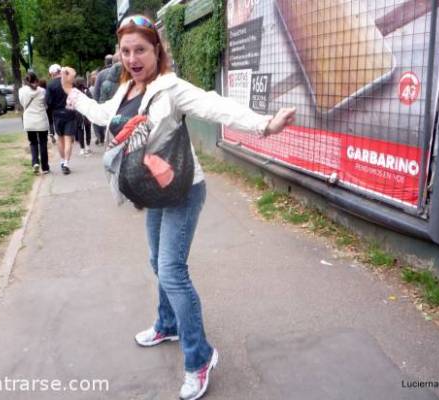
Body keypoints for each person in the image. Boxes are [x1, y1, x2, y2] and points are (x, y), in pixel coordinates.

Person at [61, 14, 295, 400]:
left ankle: (199, 358)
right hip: (154, 190)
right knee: (157, 262)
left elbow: (213, 105)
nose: (133, 57)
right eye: (126, 51)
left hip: (184, 190)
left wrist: (265, 124)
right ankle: (167, 323)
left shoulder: (170, 88)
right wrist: (73, 93)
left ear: (156, 50)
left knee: (172, 271)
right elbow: (105, 115)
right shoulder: (125, 89)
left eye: (140, 49)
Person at [45, 63, 77, 175]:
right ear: (60, 71)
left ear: (51, 74)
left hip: (57, 114)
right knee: (68, 140)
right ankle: (67, 163)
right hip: (69, 113)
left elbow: (48, 102)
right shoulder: (68, 81)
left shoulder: (50, 85)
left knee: (60, 139)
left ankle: (62, 161)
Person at [19, 71, 50, 174]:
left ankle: (35, 162)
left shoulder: (21, 91)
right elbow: (46, 105)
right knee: (43, 143)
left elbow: (22, 104)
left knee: (33, 142)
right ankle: (45, 167)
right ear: (36, 79)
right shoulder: (42, 91)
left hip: (29, 120)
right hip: (41, 119)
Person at [92, 54, 114, 145]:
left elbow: (96, 90)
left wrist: (96, 102)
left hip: (104, 101)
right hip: (116, 101)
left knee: (99, 119)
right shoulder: (121, 72)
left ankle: (100, 137)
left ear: (105, 62)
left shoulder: (101, 74)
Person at [74, 76, 93, 155]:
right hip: (87, 113)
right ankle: (88, 146)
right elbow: (91, 100)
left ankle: (82, 148)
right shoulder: (87, 90)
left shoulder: (74, 92)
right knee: (88, 130)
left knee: (80, 131)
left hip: (78, 114)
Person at [38, 78, 56, 144]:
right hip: (49, 108)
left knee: (43, 122)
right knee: (50, 121)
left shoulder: (38, 91)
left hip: (42, 109)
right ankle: (52, 133)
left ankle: (44, 134)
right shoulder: (47, 90)